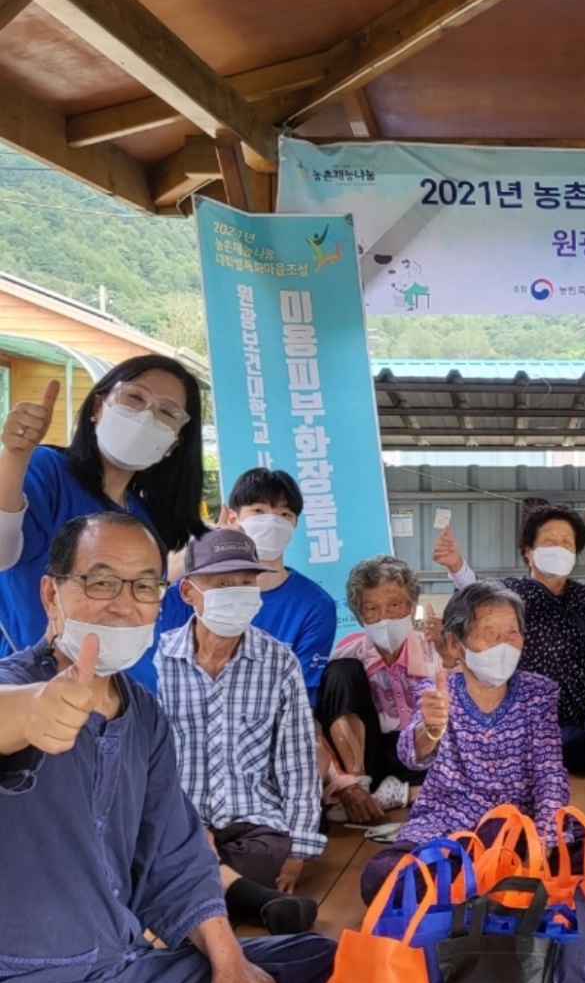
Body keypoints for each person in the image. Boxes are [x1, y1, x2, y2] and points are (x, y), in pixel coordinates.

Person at [0, 511, 335, 983]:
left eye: (143, 585)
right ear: (53, 593)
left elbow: (175, 856)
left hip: (124, 973)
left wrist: (231, 965)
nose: (123, 605)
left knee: (325, 961)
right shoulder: (18, 691)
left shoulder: (143, 714)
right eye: (101, 582)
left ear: (162, 598)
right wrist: (27, 713)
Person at [156, 529, 323, 935]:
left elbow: (297, 764)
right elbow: (146, 766)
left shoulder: (278, 662)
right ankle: (256, 902)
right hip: (175, 819)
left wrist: (299, 850)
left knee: (260, 853)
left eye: (247, 582)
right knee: (153, 848)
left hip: (253, 826)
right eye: (223, 583)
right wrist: (190, 829)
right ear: (189, 593)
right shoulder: (156, 661)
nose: (239, 592)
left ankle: (179, 898)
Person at [359, 581, 568, 902]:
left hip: (514, 829)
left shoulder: (538, 693)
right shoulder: (439, 691)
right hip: (445, 825)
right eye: (490, 632)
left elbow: (550, 775)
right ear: (455, 644)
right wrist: (430, 729)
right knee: (381, 877)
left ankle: (469, 890)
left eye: (513, 632)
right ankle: (481, 887)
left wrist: (541, 851)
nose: (505, 644)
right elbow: (410, 756)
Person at [0, 355, 206, 662]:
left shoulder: (145, 519)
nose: (146, 417)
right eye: (134, 398)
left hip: (122, 696)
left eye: (167, 413)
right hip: (37, 690)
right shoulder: (49, 471)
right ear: (98, 407)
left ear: (175, 443)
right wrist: (14, 457)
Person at [433, 503, 585, 775]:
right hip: (533, 719)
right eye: (549, 541)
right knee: (573, 749)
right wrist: (457, 566)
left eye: (566, 543)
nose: (559, 548)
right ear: (529, 552)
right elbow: (479, 597)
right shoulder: (511, 593)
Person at [149, 467, 337, 705]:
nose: (272, 522)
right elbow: (146, 588)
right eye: (259, 511)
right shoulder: (192, 592)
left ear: (295, 524)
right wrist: (207, 543)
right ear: (232, 518)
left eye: (284, 515)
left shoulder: (315, 606)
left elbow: (297, 695)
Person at [316, 555, 441, 823]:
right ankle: (359, 788)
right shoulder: (348, 653)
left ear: (412, 606)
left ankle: (410, 793)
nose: (384, 617)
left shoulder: (435, 650)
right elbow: (319, 722)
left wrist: (452, 659)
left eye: (394, 604)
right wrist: (345, 781)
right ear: (360, 615)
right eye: (371, 608)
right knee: (340, 671)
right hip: (372, 758)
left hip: (425, 755)